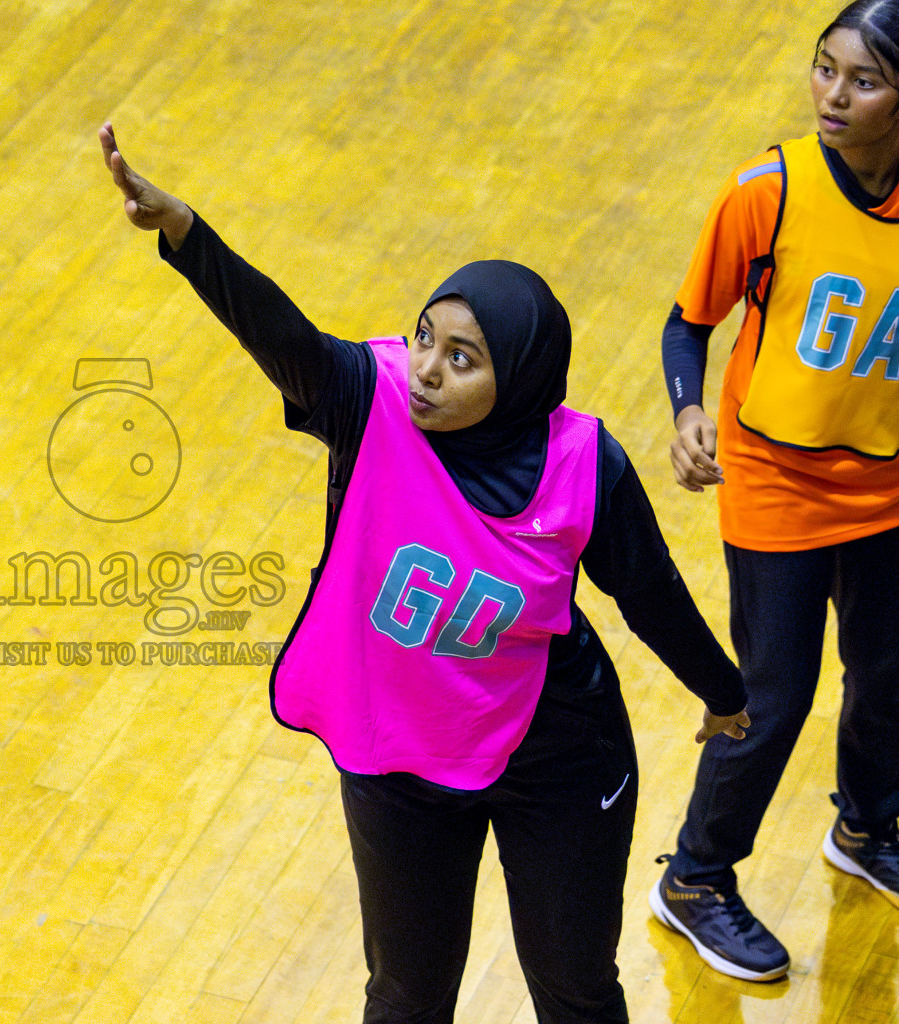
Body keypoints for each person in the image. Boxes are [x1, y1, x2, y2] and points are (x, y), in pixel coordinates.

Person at [98, 123, 749, 1024]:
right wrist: (185, 236)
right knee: (405, 999)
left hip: (557, 751)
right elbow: (279, 335)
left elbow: (647, 593)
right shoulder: (366, 399)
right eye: (426, 338)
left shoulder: (584, 466)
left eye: (463, 358)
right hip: (399, 750)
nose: (427, 373)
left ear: (520, 378)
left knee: (576, 992)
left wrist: (722, 691)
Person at [653, 0, 899, 984]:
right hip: (774, 480)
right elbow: (688, 320)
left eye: (866, 79)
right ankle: (698, 877)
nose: (835, 95)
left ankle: (870, 825)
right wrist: (685, 414)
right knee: (773, 694)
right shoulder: (769, 189)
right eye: (824, 68)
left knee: (888, 673)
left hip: (886, 484)